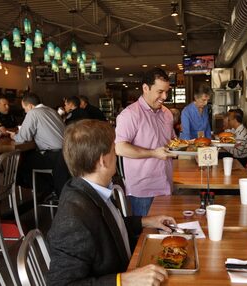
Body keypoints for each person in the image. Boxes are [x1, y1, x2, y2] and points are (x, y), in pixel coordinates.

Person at [47, 120, 174, 285]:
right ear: (103, 161)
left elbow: (109, 227)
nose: (117, 155)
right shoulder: (73, 218)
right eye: (114, 151)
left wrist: (145, 221)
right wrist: (122, 280)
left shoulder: (95, 189)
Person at [115, 68, 176, 216]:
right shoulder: (130, 114)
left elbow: (172, 141)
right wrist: (153, 153)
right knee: (147, 236)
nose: (164, 96)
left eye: (167, 92)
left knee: (166, 233)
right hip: (144, 190)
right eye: (160, 91)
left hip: (167, 184)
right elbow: (120, 148)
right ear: (145, 88)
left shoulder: (167, 113)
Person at [8, 93, 66, 192]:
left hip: (54, 156)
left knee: (22, 165)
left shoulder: (33, 112)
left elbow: (23, 138)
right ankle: (52, 188)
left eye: (24, 108)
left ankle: (48, 190)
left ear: (30, 106)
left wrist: (14, 136)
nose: (25, 111)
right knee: (30, 158)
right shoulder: (52, 110)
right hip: (67, 154)